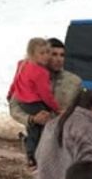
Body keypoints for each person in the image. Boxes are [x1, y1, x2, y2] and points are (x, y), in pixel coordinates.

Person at [7, 38, 59, 168]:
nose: (47, 56)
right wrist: (56, 108)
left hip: (23, 102)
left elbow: (15, 82)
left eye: (48, 52)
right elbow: (46, 95)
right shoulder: (41, 72)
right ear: (32, 54)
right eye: (42, 53)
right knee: (40, 130)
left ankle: (31, 153)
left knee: (33, 130)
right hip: (35, 103)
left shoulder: (22, 64)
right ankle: (34, 157)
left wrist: (9, 94)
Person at [9, 37, 83, 128]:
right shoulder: (30, 78)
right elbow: (14, 107)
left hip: (61, 135)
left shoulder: (75, 81)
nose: (59, 59)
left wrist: (69, 114)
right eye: (54, 54)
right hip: (37, 133)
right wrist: (32, 119)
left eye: (62, 55)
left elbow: (82, 110)